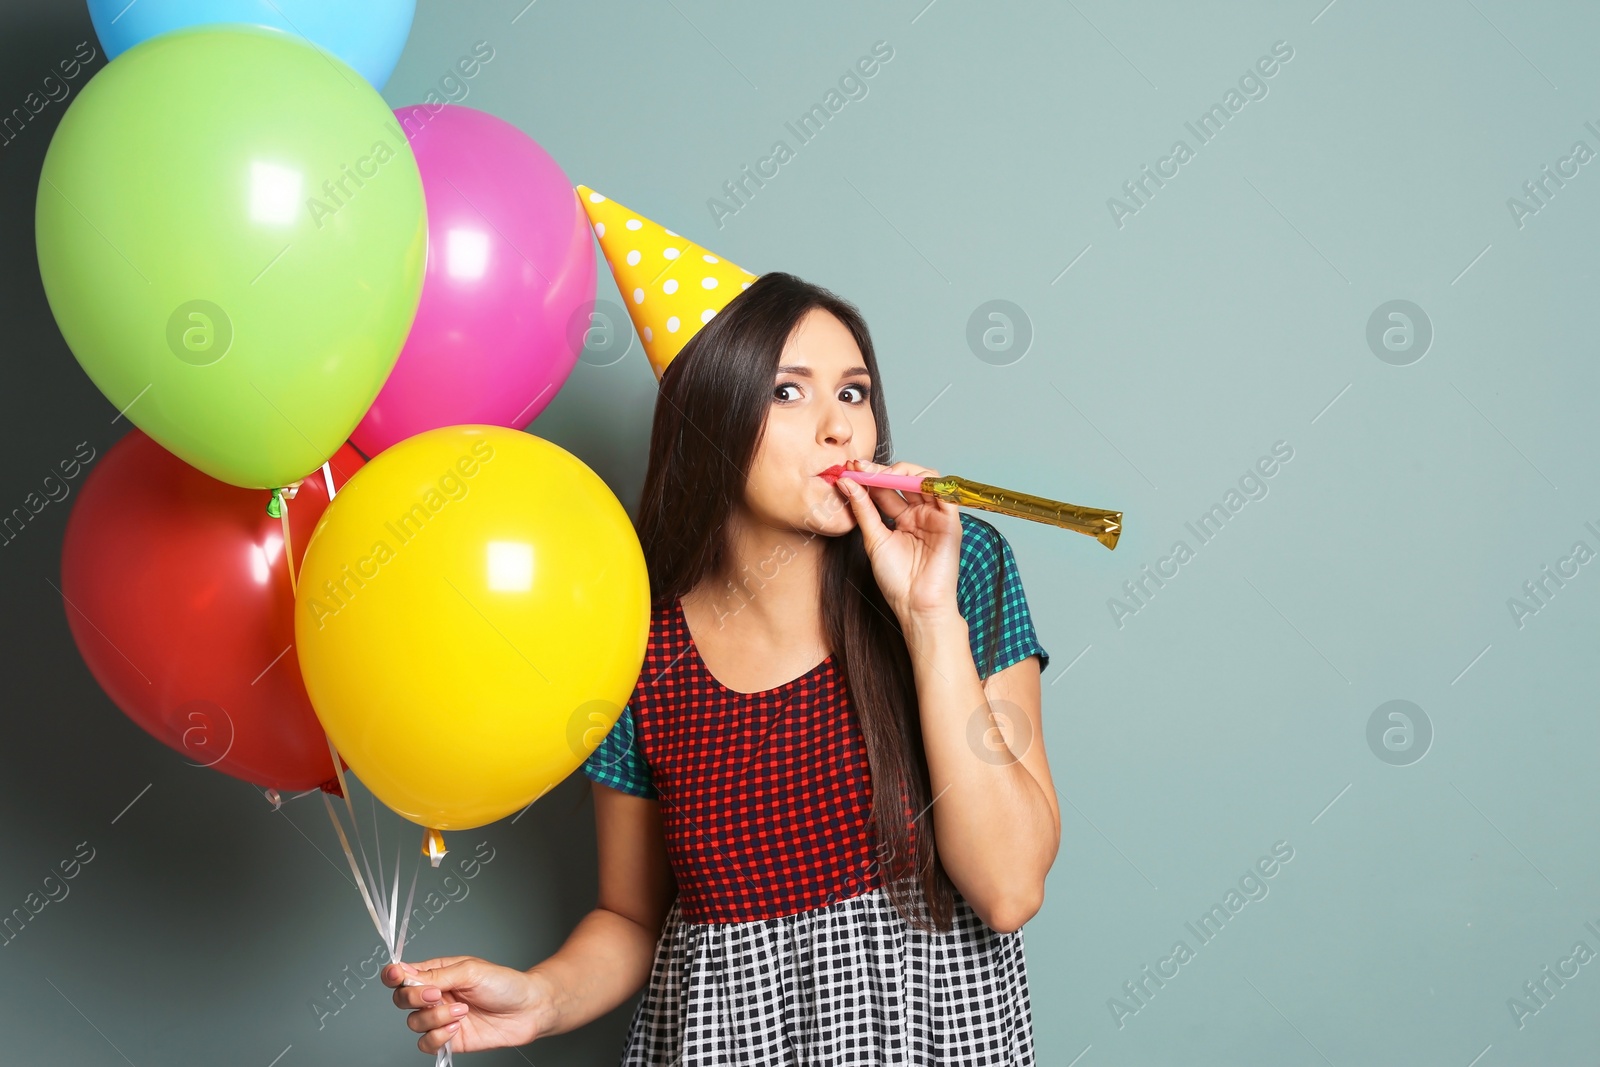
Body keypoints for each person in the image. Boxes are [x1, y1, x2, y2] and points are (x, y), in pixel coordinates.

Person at [383, 192, 1059, 1064]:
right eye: (788, 392)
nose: (839, 424)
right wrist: (542, 999)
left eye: (854, 391)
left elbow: (1007, 889)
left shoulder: (962, 572)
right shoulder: (635, 645)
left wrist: (928, 619)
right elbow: (632, 916)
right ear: (713, 423)